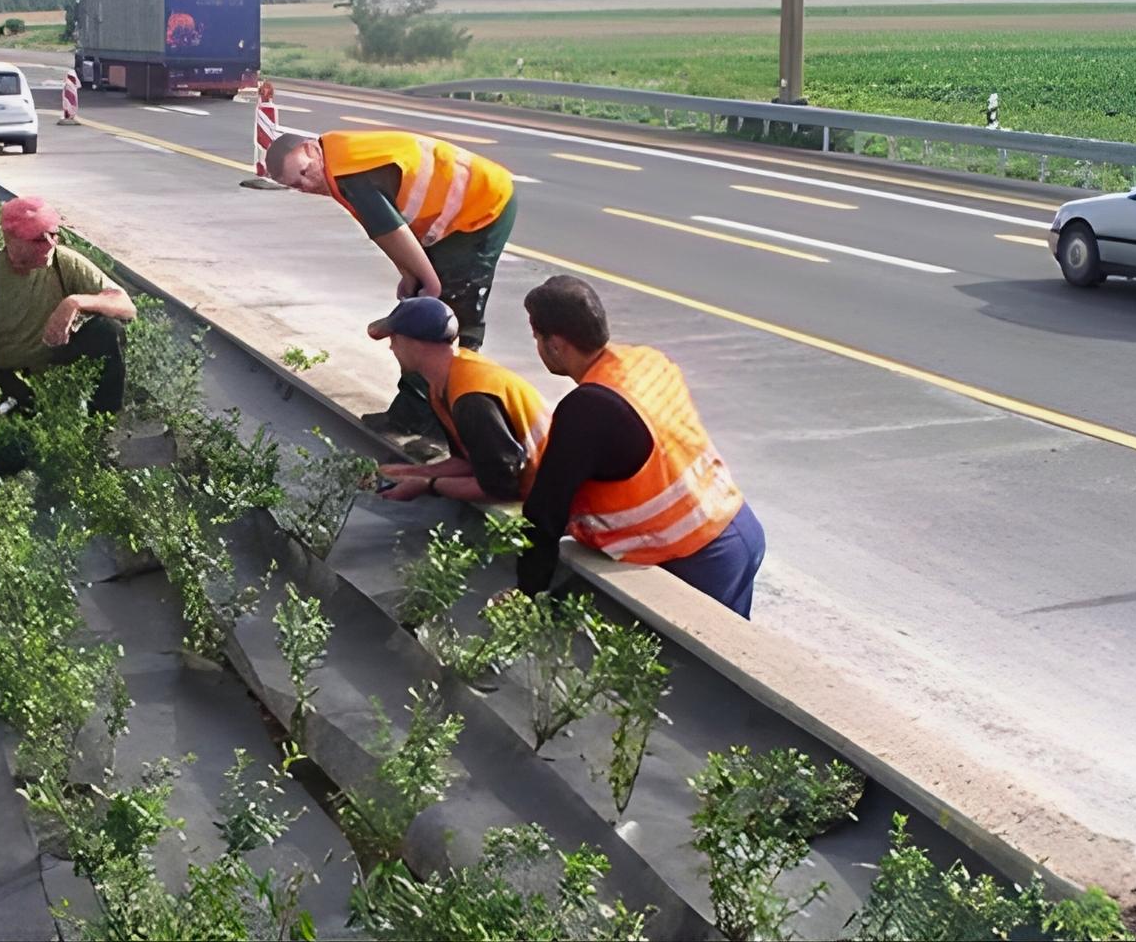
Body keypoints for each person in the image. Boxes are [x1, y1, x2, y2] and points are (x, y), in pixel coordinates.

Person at [517, 276, 765, 619]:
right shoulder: (645, 360)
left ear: (556, 345)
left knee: (682, 655)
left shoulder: (587, 409)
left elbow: (545, 514)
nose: (538, 346)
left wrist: (524, 598)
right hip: (736, 526)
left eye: (537, 338)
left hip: (697, 557)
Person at [262, 130, 517, 446]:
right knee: (423, 312)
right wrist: (409, 274)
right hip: (450, 216)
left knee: (449, 319)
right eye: (297, 185)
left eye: (305, 172)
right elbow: (384, 230)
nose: (307, 184)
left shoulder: (349, 171)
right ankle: (412, 415)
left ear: (312, 150)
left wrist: (430, 282)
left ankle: (445, 428)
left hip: (481, 207)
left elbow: (391, 230)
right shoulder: (337, 159)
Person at [0, 196, 135, 415]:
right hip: (8, 373)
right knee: (18, 422)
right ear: (12, 240)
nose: (50, 244)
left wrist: (75, 302)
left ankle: (102, 420)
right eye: (39, 239)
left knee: (107, 331)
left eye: (53, 234)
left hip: (57, 363)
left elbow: (126, 306)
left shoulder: (63, 261)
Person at [366, 297, 552, 505]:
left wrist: (428, 485)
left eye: (394, 339)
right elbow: (468, 463)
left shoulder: (470, 398)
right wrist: (414, 472)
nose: (391, 347)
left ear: (414, 343)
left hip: (552, 495)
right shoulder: (444, 382)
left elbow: (501, 488)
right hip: (527, 481)